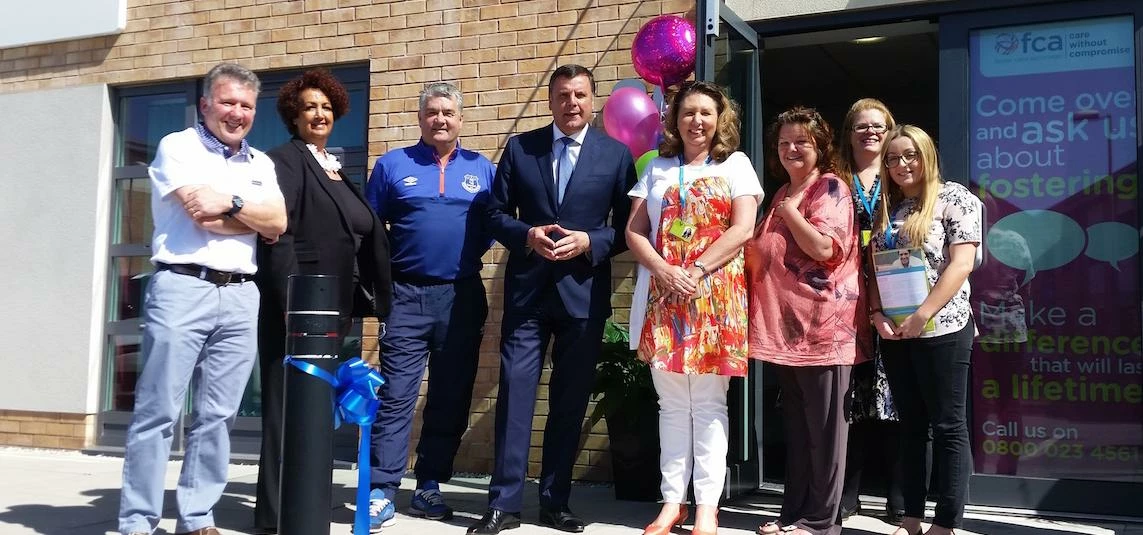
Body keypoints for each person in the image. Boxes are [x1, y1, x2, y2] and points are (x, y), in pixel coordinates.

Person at [118, 63, 288, 535]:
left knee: (218, 416)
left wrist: (231, 203)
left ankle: (196, 518)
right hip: (182, 287)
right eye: (229, 102)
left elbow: (277, 224)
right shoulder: (179, 146)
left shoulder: (262, 165)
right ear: (206, 105)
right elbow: (200, 216)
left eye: (247, 106)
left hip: (240, 294)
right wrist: (251, 215)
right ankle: (138, 522)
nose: (237, 113)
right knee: (158, 413)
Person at [470, 64, 636, 535]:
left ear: (593, 100)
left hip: (582, 295)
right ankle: (502, 505)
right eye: (563, 95)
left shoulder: (615, 154)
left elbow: (627, 228)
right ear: (550, 100)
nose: (572, 103)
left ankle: (555, 502)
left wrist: (591, 241)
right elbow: (494, 214)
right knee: (516, 396)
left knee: (568, 402)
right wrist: (527, 234)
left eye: (580, 95)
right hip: (528, 294)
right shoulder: (522, 148)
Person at [252, 68, 393, 535]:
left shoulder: (331, 166)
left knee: (314, 408)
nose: (319, 114)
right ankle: (275, 515)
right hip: (299, 308)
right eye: (310, 106)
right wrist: (289, 301)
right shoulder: (285, 161)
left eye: (327, 108)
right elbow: (280, 234)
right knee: (285, 405)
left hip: (333, 308)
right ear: (293, 114)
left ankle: (305, 499)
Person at [625, 81, 761, 535]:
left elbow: (743, 227)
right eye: (688, 113)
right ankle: (671, 502)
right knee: (670, 404)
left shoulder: (736, 165)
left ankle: (707, 504)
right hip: (666, 295)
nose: (696, 121)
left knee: (707, 405)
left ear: (720, 119)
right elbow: (634, 232)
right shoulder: (659, 167)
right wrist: (664, 270)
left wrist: (697, 269)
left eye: (706, 113)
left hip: (714, 297)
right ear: (674, 119)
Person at [364, 82, 495, 529]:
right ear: (421, 119)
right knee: (397, 395)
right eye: (433, 112)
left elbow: (491, 226)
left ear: (460, 119)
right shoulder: (392, 165)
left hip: (460, 296)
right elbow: (369, 227)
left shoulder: (483, 168)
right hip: (405, 296)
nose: (441, 119)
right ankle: (381, 490)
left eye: (449, 112)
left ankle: (429, 485)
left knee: (449, 396)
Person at [747, 107, 868, 535]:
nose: (791, 149)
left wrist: (792, 212)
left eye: (801, 141)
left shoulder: (829, 187)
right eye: (783, 142)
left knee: (825, 435)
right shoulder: (781, 192)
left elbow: (823, 248)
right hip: (785, 333)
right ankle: (792, 514)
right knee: (798, 435)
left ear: (820, 147)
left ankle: (821, 521)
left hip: (824, 333)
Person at [869, 125, 982, 535]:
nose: (901, 165)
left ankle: (946, 523)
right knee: (911, 427)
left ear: (928, 154)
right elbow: (875, 269)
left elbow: (961, 265)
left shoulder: (957, 199)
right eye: (893, 158)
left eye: (909, 155)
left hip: (944, 329)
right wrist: (877, 313)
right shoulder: (893, 209)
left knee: (948, 425)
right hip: (899, 333)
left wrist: (923, 314)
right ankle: (912, 518)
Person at [835, 98, 904, 524]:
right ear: (849, 132)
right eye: (861, 126)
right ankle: (848, 493)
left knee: (896, 397)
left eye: (879, 125)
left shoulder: (901, 175)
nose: (870, 132)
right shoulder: (834, 179)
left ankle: (899, 496)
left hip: (897, 296)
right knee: (852, 399)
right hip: (846, 302)